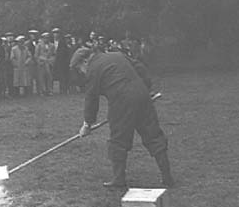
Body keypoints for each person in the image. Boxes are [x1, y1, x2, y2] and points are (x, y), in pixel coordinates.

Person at [70, 44, 174, 189]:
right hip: (142, 96)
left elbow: (91, 99)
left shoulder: (93, 69)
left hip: (121, 102)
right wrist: (146, 89)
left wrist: (87, 124)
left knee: (118, 141)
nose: (82, 72)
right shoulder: (116, 55)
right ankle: (167, 176)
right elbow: (140, 68)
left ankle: (119, 179)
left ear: (85, 61)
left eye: (80, 68)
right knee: (154, 136)